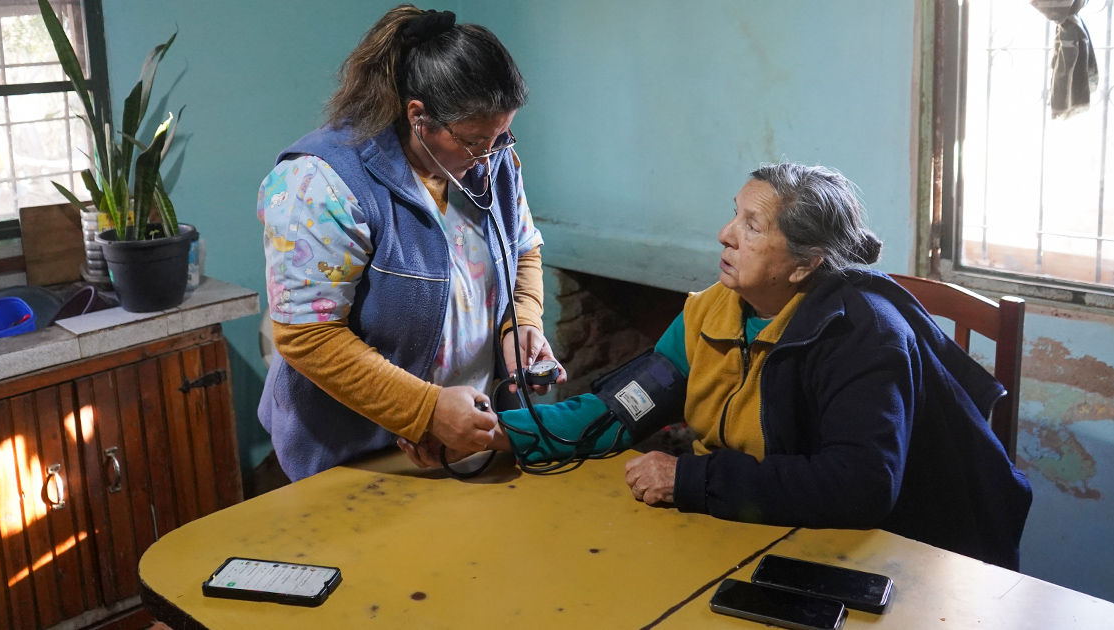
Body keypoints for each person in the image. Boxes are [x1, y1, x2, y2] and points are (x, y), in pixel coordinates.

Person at [404, 160, 1032, 569]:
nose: (725, 234)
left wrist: (690, 482)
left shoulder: (864, 338)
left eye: (751, 225)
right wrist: (491, 435)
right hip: (781, 534)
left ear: (807, 262)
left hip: (914, 555)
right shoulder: (714, 312)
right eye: (735, 212)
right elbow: (620, 410)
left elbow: (861, 486)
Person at [258, 5, 562, 481]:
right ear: (418, 116)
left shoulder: (493, 158)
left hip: (463, 438)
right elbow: (308, 337)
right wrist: (427, 411)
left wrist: (519, 323)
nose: (490, 156)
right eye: (476, 141)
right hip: (357, 456)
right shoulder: (321, 182)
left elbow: (524, 247)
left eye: (502, 136)